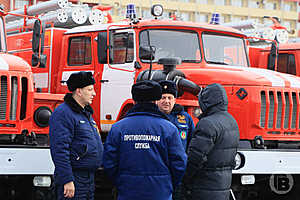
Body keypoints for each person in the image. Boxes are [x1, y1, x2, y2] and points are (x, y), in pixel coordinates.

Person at [103, 80, 187, 200]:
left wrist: (121, 182)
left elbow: (109, 162)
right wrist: (167, 184)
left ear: (134, 100)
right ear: (156, 101)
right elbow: (179, 163)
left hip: (128, 191)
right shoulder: (169, 128)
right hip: (160, 192)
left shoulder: (118, 128)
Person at [49, 71, 103, 200]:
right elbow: (60, 149)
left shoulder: (86, 114)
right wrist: (67, 179)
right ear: (78, 91)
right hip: (74, 178)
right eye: (90, 90)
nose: (94, 93)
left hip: (88, 179)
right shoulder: (63, 114)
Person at [182, 83, 239, 200]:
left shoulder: (207, 123)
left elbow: (195, 158)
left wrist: (184, 179)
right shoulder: (232, 121)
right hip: (222, 187)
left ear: (206, 101)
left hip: (203, 187)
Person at [157, 80, 195, 200]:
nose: (166, 101)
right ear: (157, 100)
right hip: (159, 174)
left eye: (170, 97)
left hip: (178, 174)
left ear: (175, 100)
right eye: (163, 97)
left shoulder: (185, 118)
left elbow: (191, 142)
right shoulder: (152, 118)